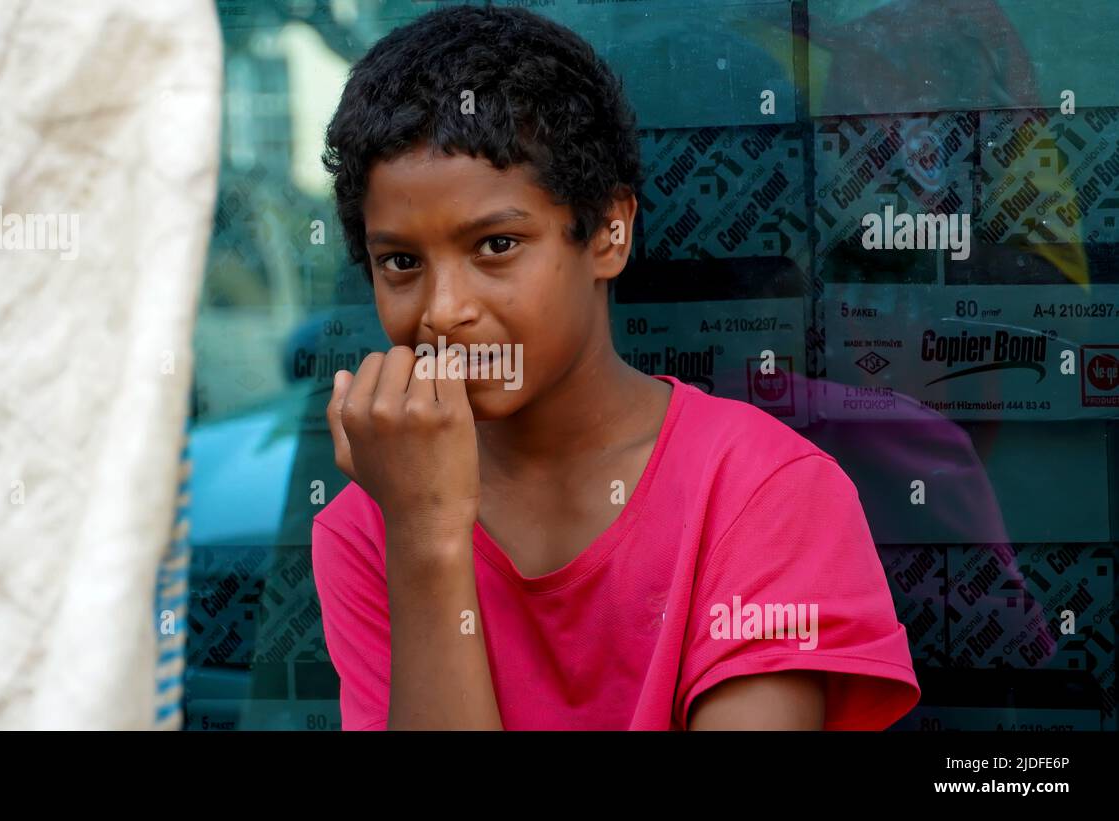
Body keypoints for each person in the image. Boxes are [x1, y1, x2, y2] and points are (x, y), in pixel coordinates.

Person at [311, 4, 919, 730]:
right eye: (401, 262)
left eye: (496, 245)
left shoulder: (761, 491)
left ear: (608, 232)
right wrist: (426, 539)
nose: (443, 310)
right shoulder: (374, 523)